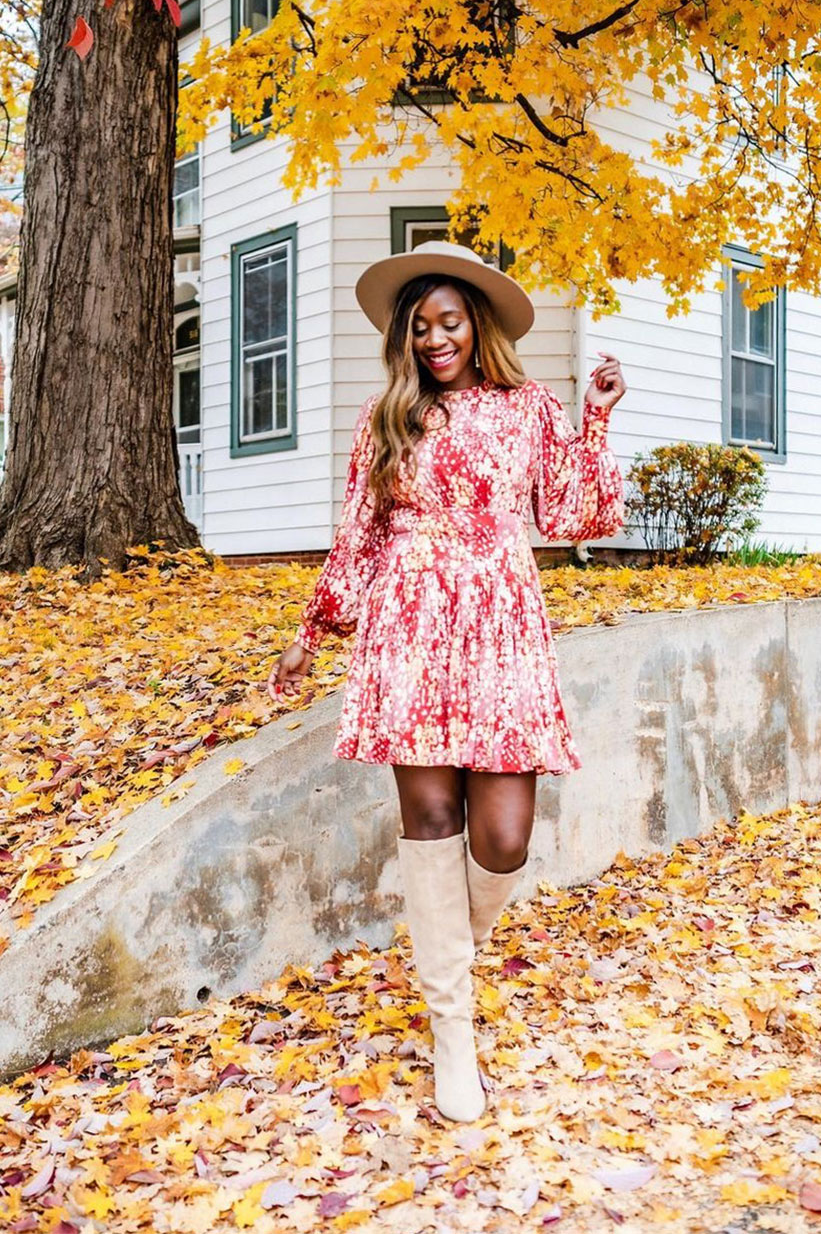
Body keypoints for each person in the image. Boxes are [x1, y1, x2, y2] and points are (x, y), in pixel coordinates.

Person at [268, 240, 626, 1123]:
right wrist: (311, 633)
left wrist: (597, 418)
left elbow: (573, 513)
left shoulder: (527, 407)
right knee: (431, 822)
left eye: (449, 322)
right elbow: (359, 535)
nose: (434, 339)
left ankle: (447, 954)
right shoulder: (386, 418)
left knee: (503, 837)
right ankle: (452, 1031)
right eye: (419, 327)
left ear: (478, 325)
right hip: (410, 630)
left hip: (502, 628)